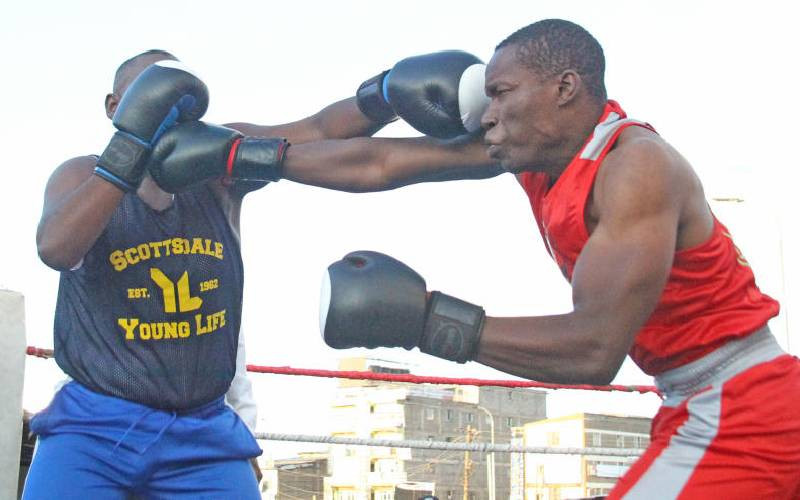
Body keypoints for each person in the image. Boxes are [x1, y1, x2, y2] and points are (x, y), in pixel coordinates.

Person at [146, 20, 800, 498]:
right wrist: (238, 152)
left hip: (746, 405)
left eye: (502, 92)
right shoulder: (534, 153)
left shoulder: (635, 169)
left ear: (564, 89)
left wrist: (425, 320)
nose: (485, 112)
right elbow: (382, 161)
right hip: (693, 400)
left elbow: (594, 349)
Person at [26, 48, 392, 499]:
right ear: (114, 106)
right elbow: (55, 247)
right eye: (150, 98)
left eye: (178, 104)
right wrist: (129, 150)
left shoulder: (218, 168)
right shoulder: (80, 175)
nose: (166, 113)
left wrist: (387, 94)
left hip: (201, 429)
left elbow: (317, 131)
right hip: (94, 425)